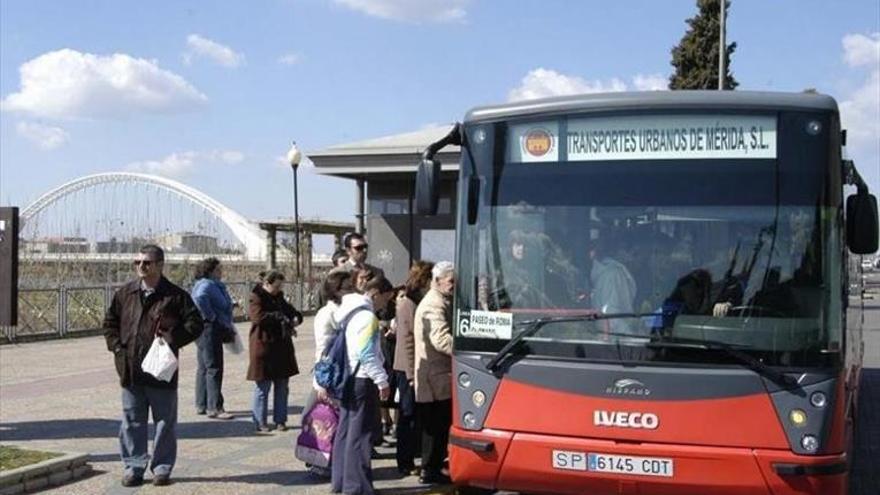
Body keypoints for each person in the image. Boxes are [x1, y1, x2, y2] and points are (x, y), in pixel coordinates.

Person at [103, 244, 203, 487]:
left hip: (161, 370)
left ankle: (161, 467)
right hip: (131, 369)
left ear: (160, 265)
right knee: (132, 420)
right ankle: (134, 467)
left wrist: (172, 339)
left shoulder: (176, 296)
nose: (140, 267)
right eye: (136, 262)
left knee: (164, 421)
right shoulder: (125, 293)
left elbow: (196, 323)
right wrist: (117, 347)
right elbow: (110, 322)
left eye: (146, 263)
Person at [331, 275, 394, 495]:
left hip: (350, 377)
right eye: (386, 299)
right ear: (376, 293)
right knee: (361, 435)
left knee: (346, 431)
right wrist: (382, 380)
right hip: (363, 379)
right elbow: (366, 353)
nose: (385, 304)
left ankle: (340, 480)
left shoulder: (350, 313)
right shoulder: (367, 317)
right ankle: (357, 487)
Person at [413, 261, 455, 485]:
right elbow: (440, 340)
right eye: (450, 281)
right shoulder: (433, 304)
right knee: (434, 426)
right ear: (437, 281)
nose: (453, 285)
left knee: (439, 424)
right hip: (434, 376)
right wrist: (466, 347)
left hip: (438, 375)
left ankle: (434, 465)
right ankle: (430, 469)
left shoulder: (442, 300)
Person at [247, 270, 303, 432]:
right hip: (263, 347)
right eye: (276, 286)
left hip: (282, 348)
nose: (279, 289)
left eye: (281, 286)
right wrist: (279, 317)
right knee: (262, 387)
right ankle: (259, 421)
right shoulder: (256, 297)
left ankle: (280, 420)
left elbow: (291, 310)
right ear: (267, 284)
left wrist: (296, 317)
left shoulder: (278, 297)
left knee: (282, 386)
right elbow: (258, 318)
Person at [392, 260, 434, 476]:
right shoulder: (408, 303)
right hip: (407, 367)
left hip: (413, 366)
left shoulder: (415, 300)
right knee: (407, 415)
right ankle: (405, 461)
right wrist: (410, 374)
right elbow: (408, 340)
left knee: (413, 414)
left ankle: (410, 457)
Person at [191, 257, 235, 420]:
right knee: (214, 367)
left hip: (204, 329)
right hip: (210, 328)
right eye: (218, 269)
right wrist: (211, 316)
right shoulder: (207, 284)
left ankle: (202, 404)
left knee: (204, 367)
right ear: (210, 271)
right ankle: (215, 406)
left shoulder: (205, 284)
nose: (221, 272)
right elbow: (199, 298)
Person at [588, 235, 638, 334]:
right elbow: (611, 316)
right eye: (635, 254)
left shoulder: (612, 272)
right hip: (616, 341)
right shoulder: (613, 275)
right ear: (623, 252)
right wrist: (633, 337)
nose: (638, 259)